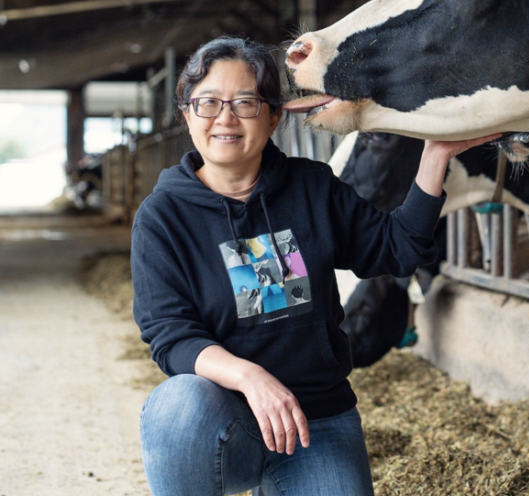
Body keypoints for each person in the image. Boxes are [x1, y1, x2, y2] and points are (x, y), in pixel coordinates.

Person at [131, 36, 497, 496]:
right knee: (177, 405)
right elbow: (171, 335)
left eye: (245, 102)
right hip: (229, 420)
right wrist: (252, 379)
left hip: (315, 422)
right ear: (188, 115)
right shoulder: (163, 216)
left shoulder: (313, 189)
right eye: (207, 103)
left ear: (274, 116)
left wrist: (435, 155)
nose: (225, 118)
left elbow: (398, 248)